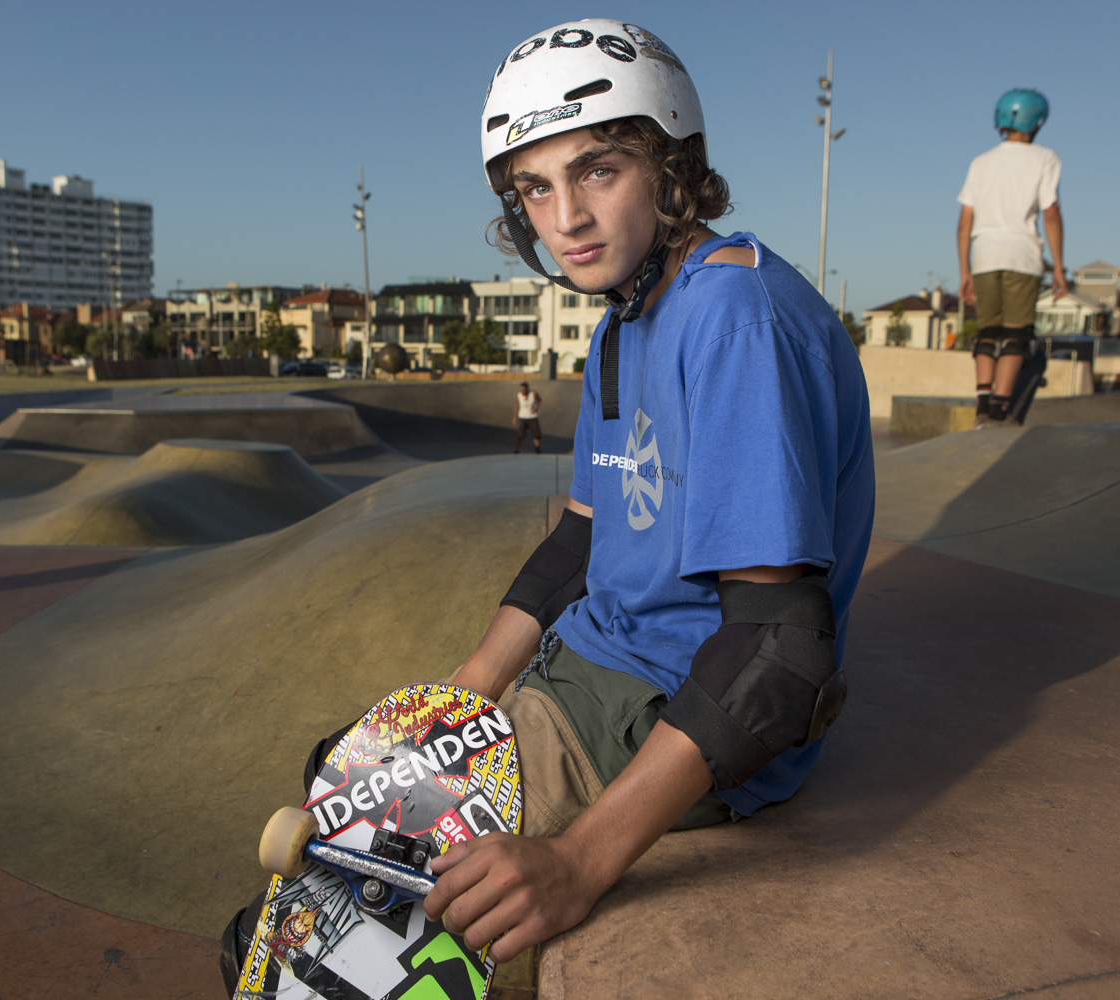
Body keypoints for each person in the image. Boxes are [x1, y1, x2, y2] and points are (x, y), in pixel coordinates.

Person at [420, 19, 875, 963]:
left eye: (597, 171)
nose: (564, 222)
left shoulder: (736, 320)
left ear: (672, 167)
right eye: (534, 190)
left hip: (664, 710)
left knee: (357, 943)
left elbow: (776, 654)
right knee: (334, 813)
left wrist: (578, 864)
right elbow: (578, 544)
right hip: (581, 677)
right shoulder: (625, 320)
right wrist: (461, 698)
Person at [956, 88, 1065, 428]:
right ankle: (1000, 408)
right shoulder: (1045, 158)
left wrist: (965, 270)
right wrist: (1059, 267)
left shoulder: (981, 162)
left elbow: (964, 224)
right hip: (1022, 256)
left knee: (987, 333)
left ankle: (983, 401)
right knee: (1016, 336)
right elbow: (1050, 214)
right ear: (1037, 123)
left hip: (984, 255)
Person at [513, 381, 543, 452]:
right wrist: (514, 417)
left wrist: (535, 408)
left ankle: (537, 448)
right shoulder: (519, 395)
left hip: (532, 417)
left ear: (527, 389)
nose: (522, 391)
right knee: (521, 434)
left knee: (536, 434)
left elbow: (539, 400)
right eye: (521, 389)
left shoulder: (533, 393)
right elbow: (516, 406)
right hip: (522, 417)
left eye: (523, 389)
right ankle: (516, 449)